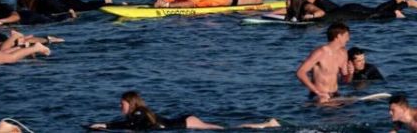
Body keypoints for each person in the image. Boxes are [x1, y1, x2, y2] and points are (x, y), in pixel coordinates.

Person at [87, 90, 278, 130]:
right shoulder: (140, 113)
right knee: (224, 128)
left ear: (131, 103)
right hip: (185, 121)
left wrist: (105, 125)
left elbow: (130, 125)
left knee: (229, 130)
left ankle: (266, 125)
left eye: (122, 104)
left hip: (185, 123)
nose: (120, 107)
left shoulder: (138, 113)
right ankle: (266, 124)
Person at [296, 22, 353, 102]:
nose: (348, 39)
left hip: (335, 94)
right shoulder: (320, 52)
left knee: (351, 111)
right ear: (339, 36)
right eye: (346, 36)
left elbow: (345, 81)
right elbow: (300, 72)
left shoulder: (343, 53)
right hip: (319, 96)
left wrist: (350, 73)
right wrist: (318, 92)